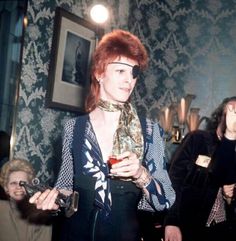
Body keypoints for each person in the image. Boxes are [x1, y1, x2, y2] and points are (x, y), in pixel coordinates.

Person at [29, 29, 175, 241]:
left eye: (133, 72)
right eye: (120, 71)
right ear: (99, 73)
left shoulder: (150, 131)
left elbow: (165, 200)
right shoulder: (74, 128)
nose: (129, 81)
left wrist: (140, 174)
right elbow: (66, 189)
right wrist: (53, 200)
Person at [164, 96, 236, 241]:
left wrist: (230, 197)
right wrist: (171, 221)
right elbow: (173, 181)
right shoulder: (197, 139)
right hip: (189, 226)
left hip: (223, 229)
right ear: (221, 115)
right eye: (231, 110)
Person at [0, 159, 52, 241]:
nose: (19, 187)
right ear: (6, 187)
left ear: (30, 187)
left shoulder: (41, 214)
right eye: (13, 183)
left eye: (23, 183)